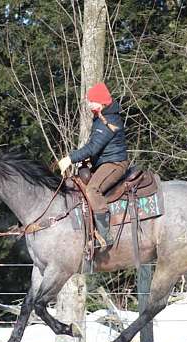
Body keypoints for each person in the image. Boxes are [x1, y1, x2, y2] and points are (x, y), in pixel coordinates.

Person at [58, 82, 128, 251]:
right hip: (105, 161)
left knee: (92, 190)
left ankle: (105, 235)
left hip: (115, 163)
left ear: (102, 102)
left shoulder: (108, 120)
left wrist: (70, 159)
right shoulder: (102, 117)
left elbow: (93, 147)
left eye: (92, 101)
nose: (89, 104)